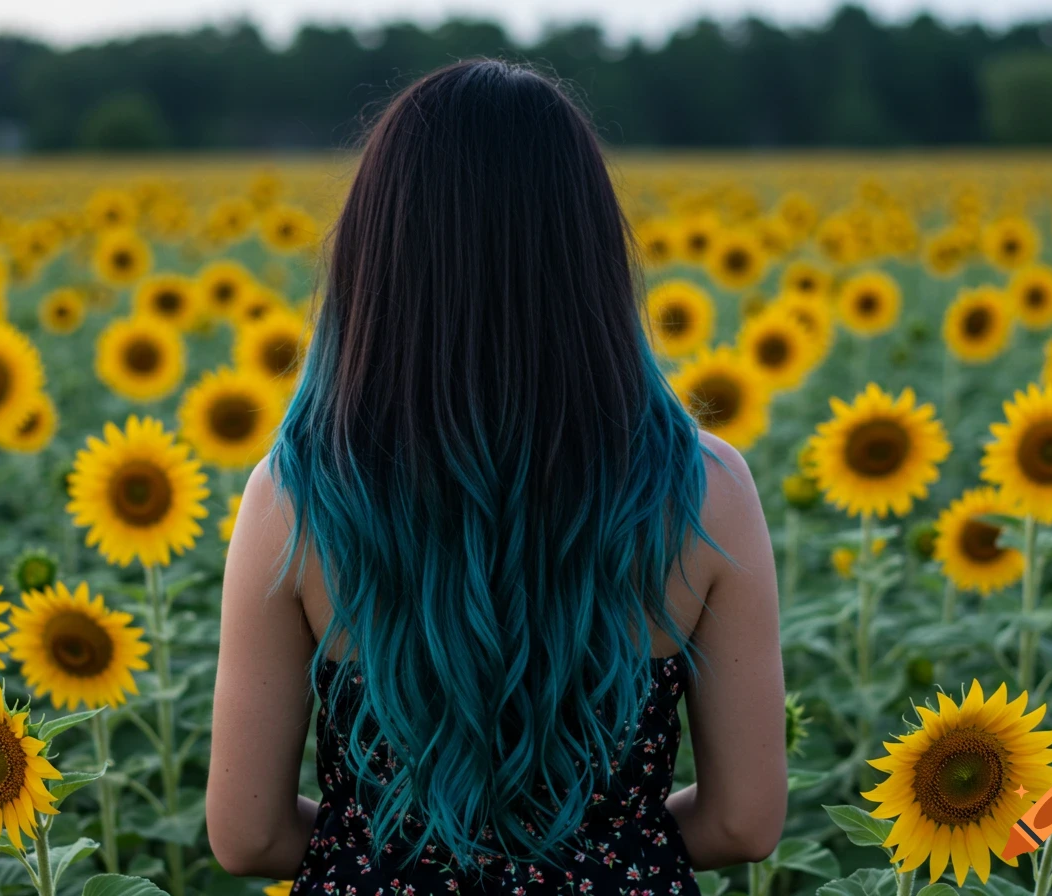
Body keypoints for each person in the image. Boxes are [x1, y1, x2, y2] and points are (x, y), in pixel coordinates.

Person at [207, 58, 787, 893]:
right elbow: (745, 819)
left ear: (378, 254)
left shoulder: (297, 496)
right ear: (589, 251)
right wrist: (603, 852)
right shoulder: (705, 491)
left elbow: (246, 835)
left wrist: (388, 851)